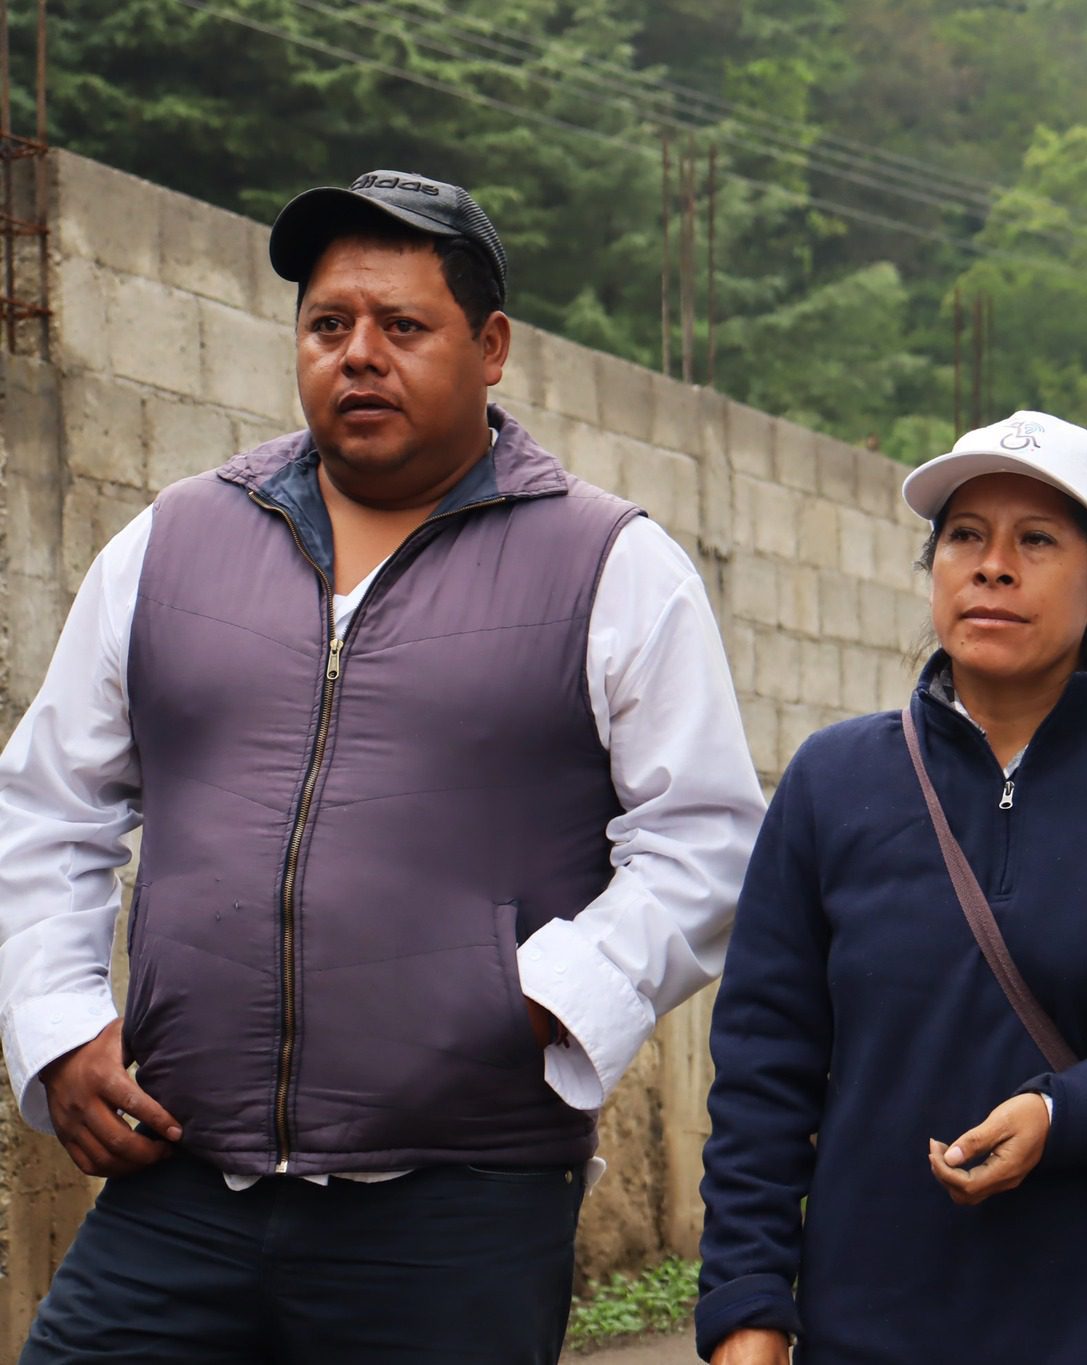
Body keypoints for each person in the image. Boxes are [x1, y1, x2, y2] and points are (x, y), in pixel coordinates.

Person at [0, 169, 765, 1363]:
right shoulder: (172, 540)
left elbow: (706, 839)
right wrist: (54, 1024)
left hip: (456, 1210)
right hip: (183, 1187)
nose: (359, 355)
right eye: (327, 326)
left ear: (491, 346)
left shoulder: (609, 562)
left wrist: (544, 996)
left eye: (402, 327)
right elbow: (48, 805)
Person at [693, 411, 1087, 1363]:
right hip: (870, 1323)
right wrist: (748, 1303)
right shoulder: (834, 782)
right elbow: (762, 1066)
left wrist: (1069, 1113)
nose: (993, 566)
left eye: (1036, 540)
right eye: (964, 537)